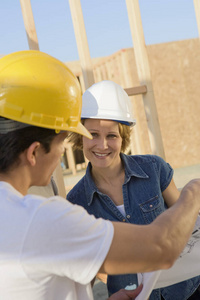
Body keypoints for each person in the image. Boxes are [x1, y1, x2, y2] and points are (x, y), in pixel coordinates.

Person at [0, 51, 200, 300]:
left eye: (111, 136)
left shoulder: (152, 168)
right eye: (62, 140)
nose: (64, 150)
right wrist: (193, 192)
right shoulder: (48, 217)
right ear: (34, 152)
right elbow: (161, 247)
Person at [67, 80, 200, 300]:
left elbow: (187, 220)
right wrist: (122, 275)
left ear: (123, 138)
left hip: (188, 291)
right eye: (93, 134)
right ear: (81, 137)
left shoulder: (153, 169)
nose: (102, 145)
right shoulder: (76, 202)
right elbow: (88, 265)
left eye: (111, 136)